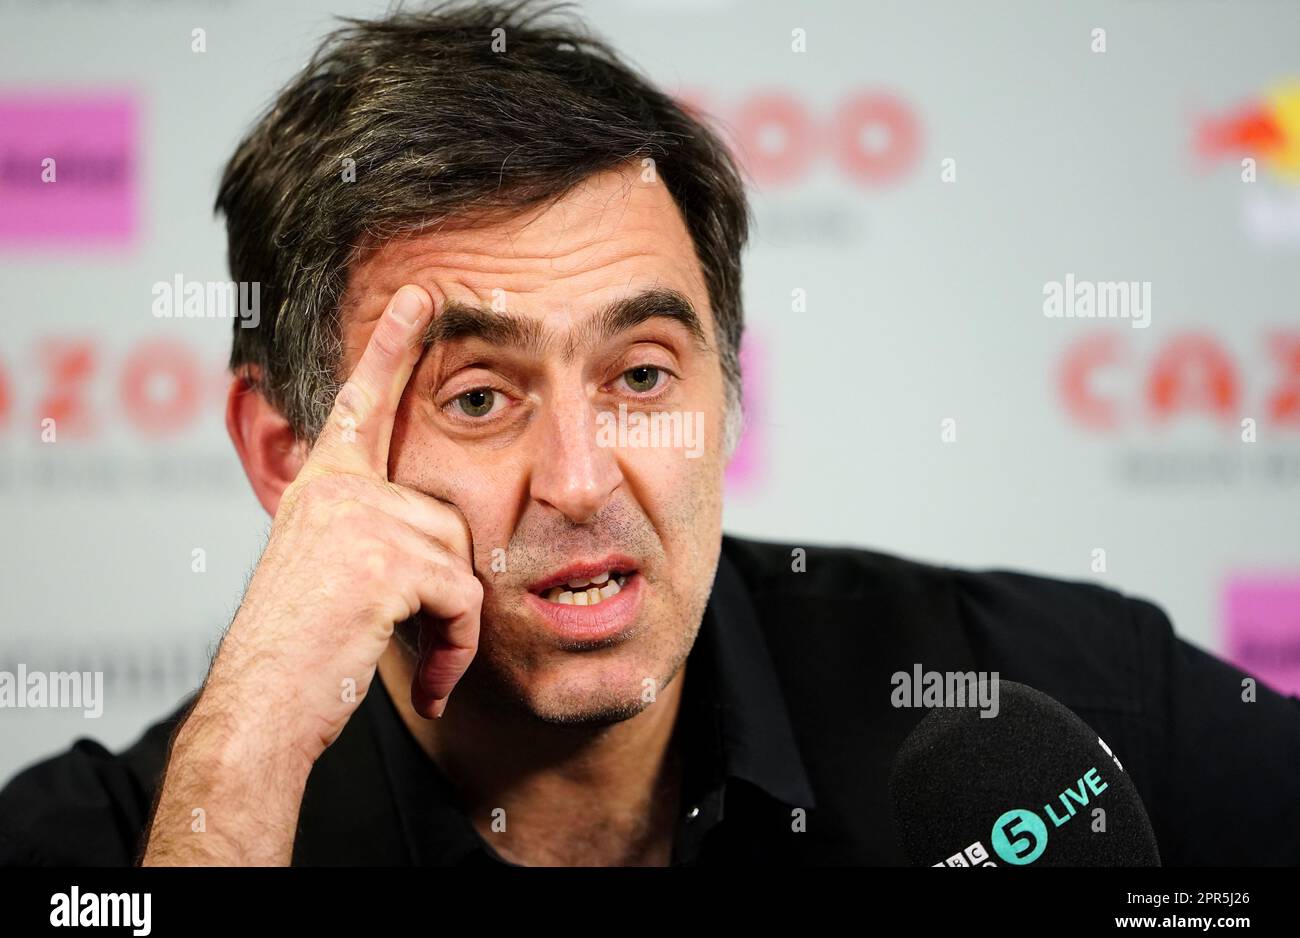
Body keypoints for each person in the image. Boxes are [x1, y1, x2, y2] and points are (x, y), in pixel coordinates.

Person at [2, 0, 1298, 867]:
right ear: (289, 456)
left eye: (639, 373)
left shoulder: (1070, 699)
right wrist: (249, 755)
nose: (580, 479)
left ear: (729, 388)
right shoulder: (111, 839)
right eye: (477, 397)